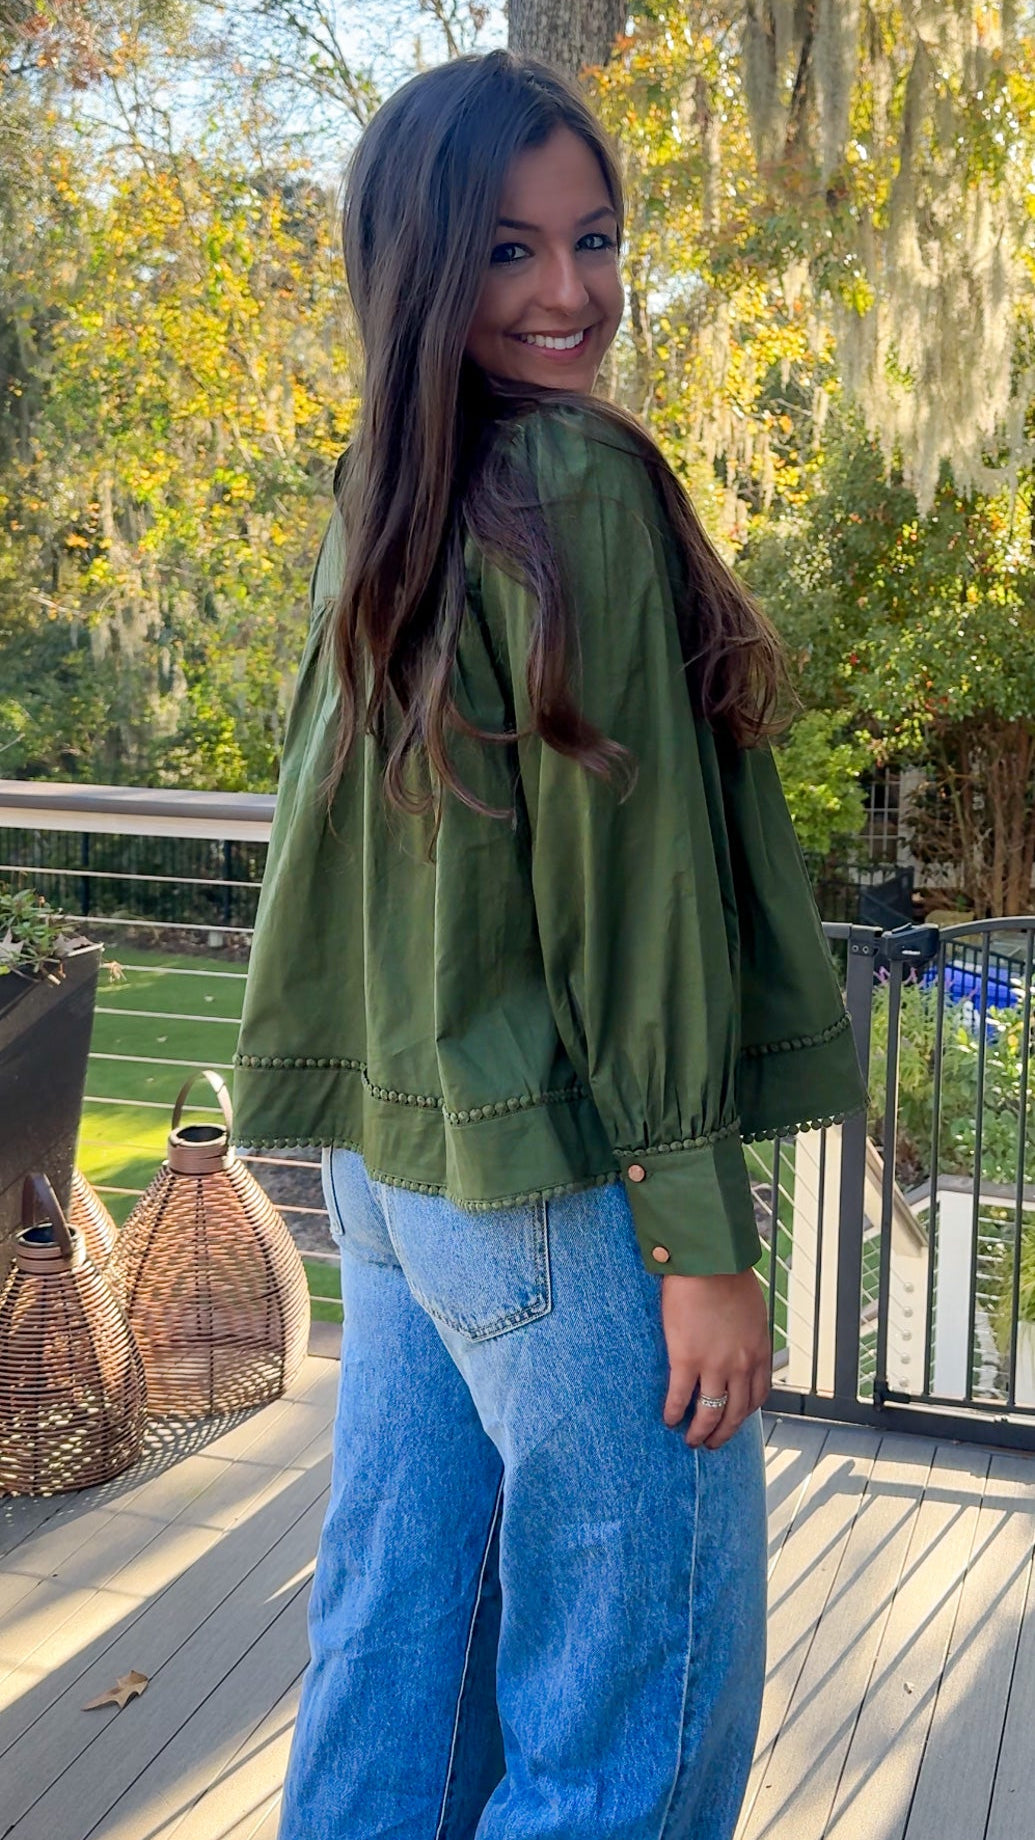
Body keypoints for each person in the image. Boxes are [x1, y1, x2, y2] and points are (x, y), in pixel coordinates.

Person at [233, 48, 866, 1840]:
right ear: (425, 266)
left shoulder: (398, 486)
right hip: (568, 1178)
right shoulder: (572, 480)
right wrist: (700, 1238)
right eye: (510, 252)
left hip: (408, 1168)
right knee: (631, 1734)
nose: (572, 293)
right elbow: (632, 889)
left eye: (594, 240)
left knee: (398, 1650)